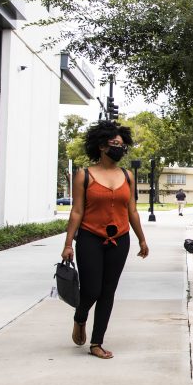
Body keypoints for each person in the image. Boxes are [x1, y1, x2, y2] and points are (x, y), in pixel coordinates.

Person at [61, 120, 149, 359]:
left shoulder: (127, 176)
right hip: (90, 238)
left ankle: (96, 342)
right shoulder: (84, 175)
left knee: (108, 291)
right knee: (91, 290)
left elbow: (132, 211)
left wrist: (142, 239)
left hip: (119, 240)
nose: (119, 148)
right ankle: (80, 318)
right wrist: (68, 244)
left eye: (122, 144)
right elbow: (77, 212)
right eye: (114, 143)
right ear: (101, 146)